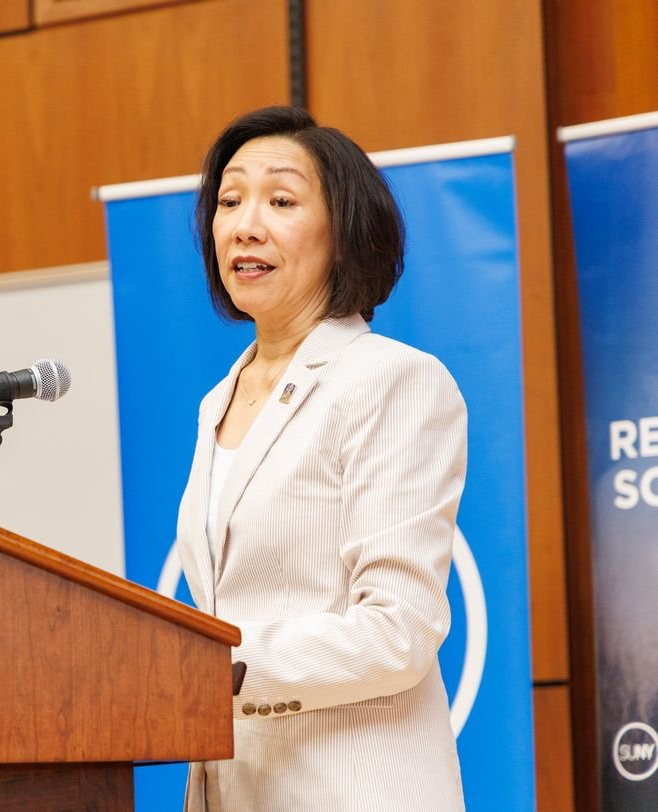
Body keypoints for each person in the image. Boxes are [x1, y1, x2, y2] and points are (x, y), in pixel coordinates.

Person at [176, 106, 467, 810]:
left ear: (344, 234)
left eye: (279, 200)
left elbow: (398, 628)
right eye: (228, 200)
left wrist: (225, 670)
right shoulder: (217, 401)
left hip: (351, 788)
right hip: (234, 788)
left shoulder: (388, 378)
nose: (245, 224)